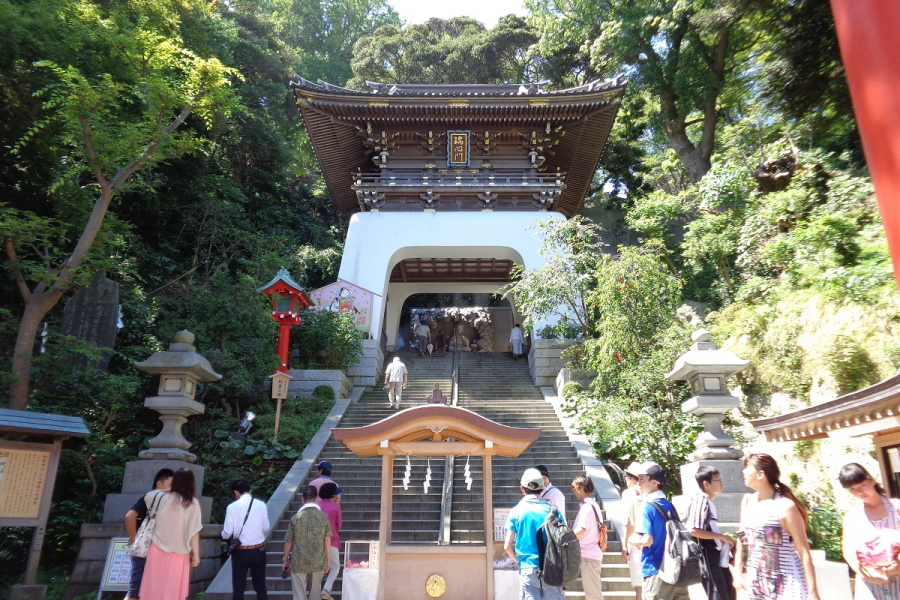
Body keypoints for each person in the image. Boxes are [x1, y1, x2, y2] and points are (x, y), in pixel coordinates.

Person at [734, 453, 820, 600]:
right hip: (756, 581)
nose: (743, 471)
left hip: (787, 580)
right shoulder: (747, 501)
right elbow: (742, 540)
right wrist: (737, 574)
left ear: (761, 474)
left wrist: (813, 592)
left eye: (747, 467)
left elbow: (803, 550)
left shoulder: (785, 506)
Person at [139, 468, 202, 600]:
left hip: (156, 549)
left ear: (174, 481)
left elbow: (148, 495)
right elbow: (194, 531)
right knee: (172, 590)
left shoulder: (158, 497)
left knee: (153, 588)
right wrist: (196, 554)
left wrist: (171, 490)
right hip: (180, 553)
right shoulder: (192, 503)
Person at [839, 462, 900, 599]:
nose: (860, 492)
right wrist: (866, 573)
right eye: (853, 489)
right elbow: (848, 551)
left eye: (862, 485)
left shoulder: (896, 508)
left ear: (871, 480)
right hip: (871, 584)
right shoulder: (853, 516)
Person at [628, 462, 688, 600]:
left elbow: (647, 540)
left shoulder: (647, 506)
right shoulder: (669, 505)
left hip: (656, 570)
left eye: (642, 479)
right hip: (678, 570)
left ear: (654, 482)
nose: (638, 483)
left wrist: (632, 539)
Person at [504, 468, 565, 600]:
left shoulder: (516, 511)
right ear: (542, 489)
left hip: (528, 570)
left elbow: (507, 547)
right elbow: (564, 539)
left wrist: (520, 562)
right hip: (552, 570)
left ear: (522, 488)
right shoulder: (553, 511)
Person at [124, 468, 174, 600]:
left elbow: (130, 517)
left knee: (136, 589)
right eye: (170, 485)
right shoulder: (151, 498)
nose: (173, 490)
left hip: (145, 549)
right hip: (156, 549)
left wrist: (134, 537)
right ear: (159, 484)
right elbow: (129, 516)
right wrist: (134, 537)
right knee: (140, 590)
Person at [687, 466, 735, 600]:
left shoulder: (708, 502)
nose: (721, 482)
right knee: (718, 595)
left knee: (728, 593)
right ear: (706, 484)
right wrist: (721, 537)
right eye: (717, 479)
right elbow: (694, 530)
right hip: (707, 555)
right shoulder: (701, 501)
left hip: (715, 556)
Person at [223, 479, 270, 600]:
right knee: (260, 585)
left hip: (240, 551)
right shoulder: (261, 505)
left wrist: (223, 535)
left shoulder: (232, 507)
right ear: (250, 490)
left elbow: (227, 532)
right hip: (258, 550)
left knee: (239, 587)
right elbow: (266, 527)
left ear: (236, 492)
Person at [283, 486, 332, 600]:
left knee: (299, 595)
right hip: (318, 560)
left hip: (298, 561)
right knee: (315, 595)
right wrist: (328, 561)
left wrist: (285, 559)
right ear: (316, 499)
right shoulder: (323, 517)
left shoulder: (295, 518)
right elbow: (328, 540)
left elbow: (288, 541)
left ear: (302, 500)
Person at [572, 476, 605, 600]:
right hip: (591, 554)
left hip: (588, 556)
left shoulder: (586, 507)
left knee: (593, 595)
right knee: (593, 593)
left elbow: (582, 529)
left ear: (580, 487)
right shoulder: (593, 504)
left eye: (573, 487)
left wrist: (567, 540)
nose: (573, 490)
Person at [620, 462, 644, 600]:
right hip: (649, 541)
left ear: (633, 479)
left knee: (639, 587)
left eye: (627, 477)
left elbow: (627, 521)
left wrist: (624, 546)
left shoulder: (628, 493)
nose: (625, 480)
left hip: (635, 542)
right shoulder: (648, 493)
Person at [318, 482, 343, 600]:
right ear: (333, 496)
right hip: (332, 540)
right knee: (335, 567)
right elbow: (338, 526)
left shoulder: (317, 505)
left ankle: (316, 590)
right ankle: (326, 589)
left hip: (316, 541)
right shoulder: (336, 506)